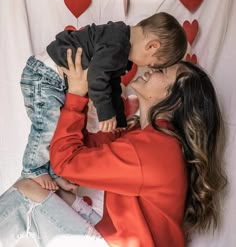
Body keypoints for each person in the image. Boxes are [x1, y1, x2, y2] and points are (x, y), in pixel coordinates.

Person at [0, 49, 226, 247]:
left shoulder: (155, 148)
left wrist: (77, 95)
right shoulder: (143, 137)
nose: (153, 67)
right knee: (41, 187)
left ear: (174, 99)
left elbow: (66, 161)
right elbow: (81, 147)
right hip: (114, 235)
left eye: (163, 71)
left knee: (27, 192)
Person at [20, 12, 187, 190]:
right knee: (48, 126)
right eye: (154, 65)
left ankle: (54, 172)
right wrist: (105, 114)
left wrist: (120, 120)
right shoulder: (116, 44)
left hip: (57, 80)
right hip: (44, 75)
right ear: (152, 46)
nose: (148, 68)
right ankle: (32, 169)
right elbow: (96, 77)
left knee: (57, 128)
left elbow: (111, 85)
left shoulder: (121, 49)